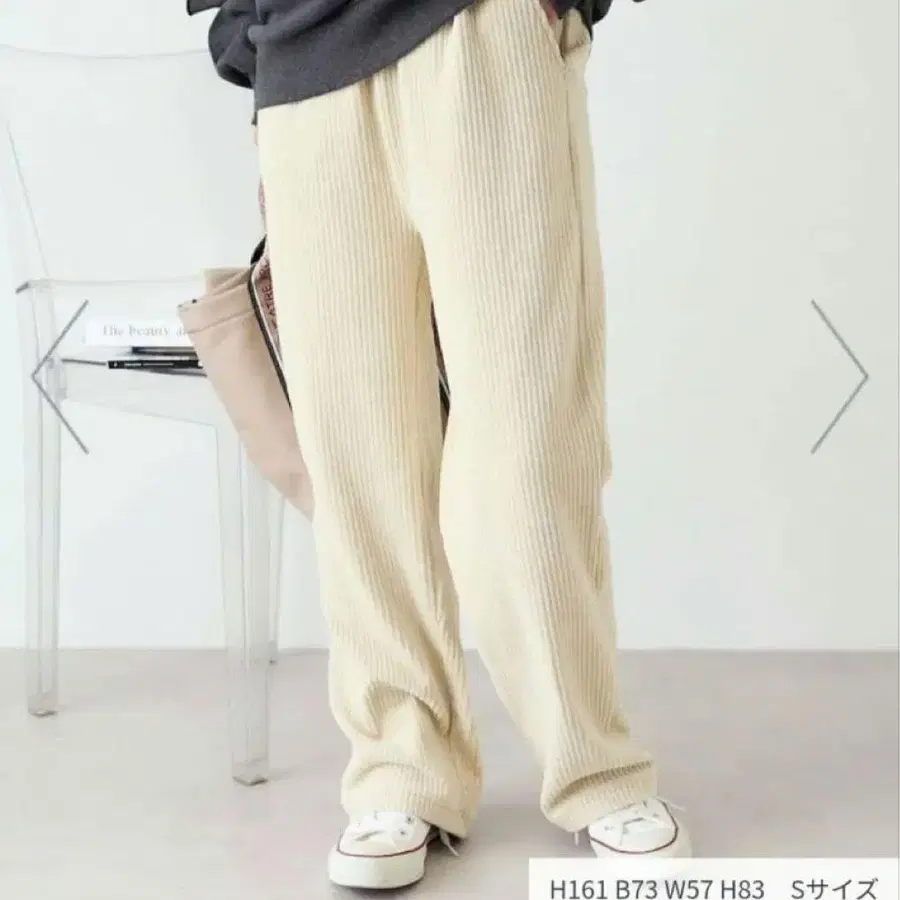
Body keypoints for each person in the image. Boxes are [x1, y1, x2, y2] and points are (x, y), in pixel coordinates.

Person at [195, 0, 690, 890]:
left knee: (529, 443)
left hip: (482, 33)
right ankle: (401, 768)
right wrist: (253, 44)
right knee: (359, 457)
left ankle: (594, 765)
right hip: (306, 70)